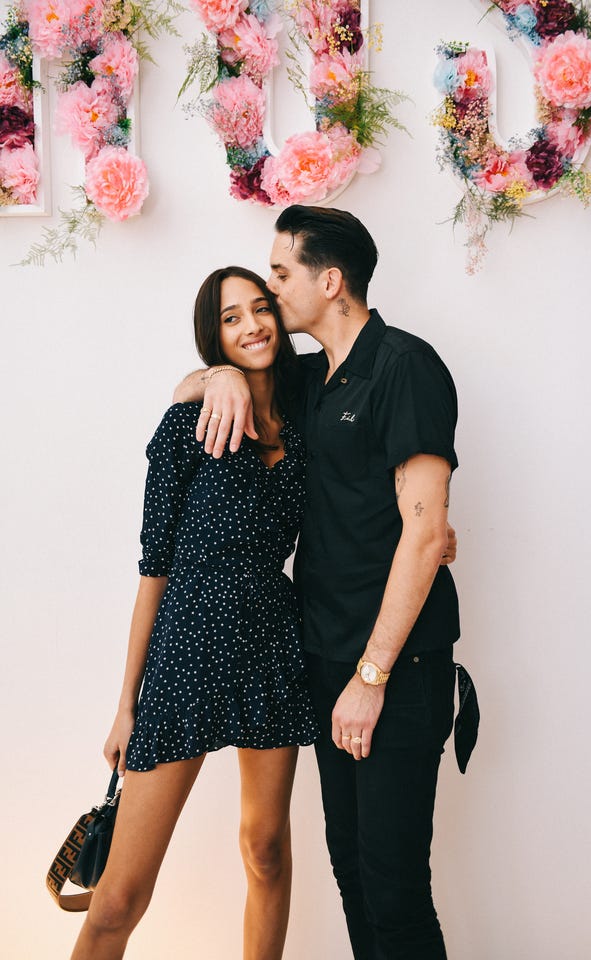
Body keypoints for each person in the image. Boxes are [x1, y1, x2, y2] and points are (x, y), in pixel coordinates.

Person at [175, 206, 477, 960]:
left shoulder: (405, 366)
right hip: (325, 664)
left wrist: (371, 677)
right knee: (350, 874)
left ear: (330, 279)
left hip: (394, 670)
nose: (271, 294)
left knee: (394, 887)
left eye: (279, 275)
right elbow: (190, 386)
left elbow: (425, 534)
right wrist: (217, 376)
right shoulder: (312, 376)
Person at [69, 266, 321, 960]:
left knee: (266, 850)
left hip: (272, 646)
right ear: (214, 337)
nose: (252, 326)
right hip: (185, 651)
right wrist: (128, 703)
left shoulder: (306, 420)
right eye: (231, 318)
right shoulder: (188, 423)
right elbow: (153, 566)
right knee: (118, 897)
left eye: (260, 309)